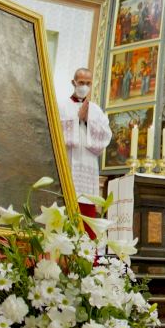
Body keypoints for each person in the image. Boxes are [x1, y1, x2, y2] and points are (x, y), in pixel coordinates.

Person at [58, 68, 111, 221]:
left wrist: (87, 121)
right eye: (81, 82)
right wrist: (77, 119)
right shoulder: (61, 106)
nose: (84, 86)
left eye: (88, 83)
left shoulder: (96, 110)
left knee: (86, 208)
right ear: (73, 82)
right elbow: (55, 131)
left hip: (88, 163)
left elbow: (106, 135)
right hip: (68, 161)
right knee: (66, 205)